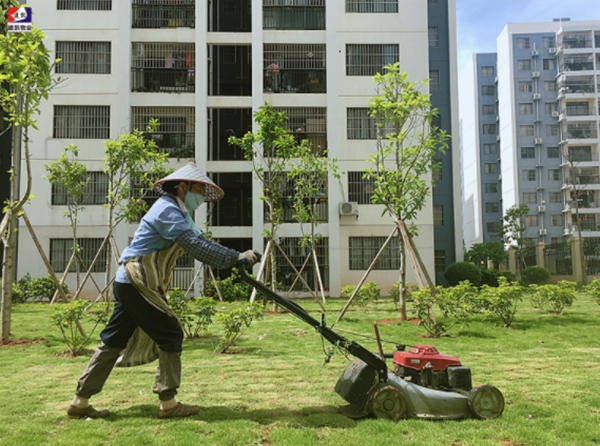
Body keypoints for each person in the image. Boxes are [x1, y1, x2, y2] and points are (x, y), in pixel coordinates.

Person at [67, 163, 260, 420]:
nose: (201, 197)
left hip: (132, 282)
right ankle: (168, 403)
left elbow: (202, 241)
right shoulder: (166, 209)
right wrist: (235, 257)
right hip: (138, 281)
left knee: (114, 339)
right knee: (170, 333)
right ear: (183, 188)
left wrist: (237, 256)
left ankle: (80, 402)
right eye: (199, 191)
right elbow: (194, 246)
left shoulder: (181, 213)